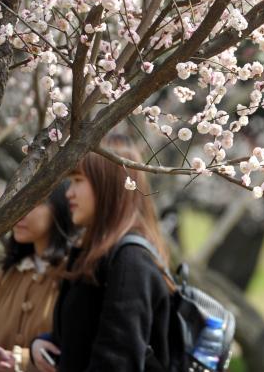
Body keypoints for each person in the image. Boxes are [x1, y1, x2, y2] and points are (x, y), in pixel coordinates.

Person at [31, 143, 172, 372]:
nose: (68, 193)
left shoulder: (131, 261)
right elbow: (83, 334)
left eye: (78, 180)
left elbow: (117, 361)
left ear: (106, 185)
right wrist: (42, 344)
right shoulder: (93, 255)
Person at [0, 183, 74, 372]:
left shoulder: (74, 274)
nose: (20, 211)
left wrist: (23, 361)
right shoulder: (8, 272)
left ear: (61, 208)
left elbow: (76, 349)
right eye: (18, 201)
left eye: (33, 202)